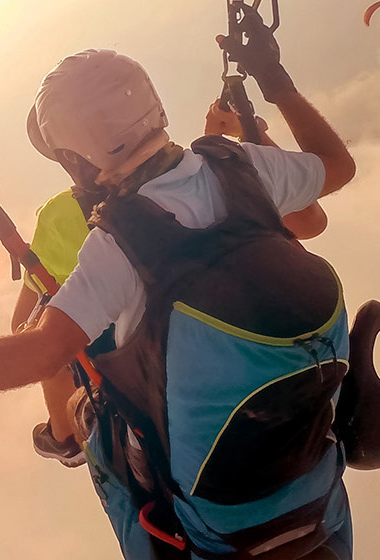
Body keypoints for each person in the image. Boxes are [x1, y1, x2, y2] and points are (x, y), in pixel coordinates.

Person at [0, 7, 376, 558]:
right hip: (315, 486)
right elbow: (337, 167)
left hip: (220, 523)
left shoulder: (117, 244)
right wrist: (276, 82)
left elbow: (41, 353)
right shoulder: (245, 167)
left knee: (101, 430)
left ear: (76, 159)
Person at [24, 102, 331, 468]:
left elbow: (29, 331)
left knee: (49, 347)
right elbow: (309, 222)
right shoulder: (211, 175)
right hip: (272, 335)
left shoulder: (62, 219)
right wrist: (242, 135)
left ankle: (65, 439)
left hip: (159, 378)